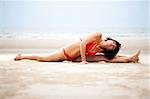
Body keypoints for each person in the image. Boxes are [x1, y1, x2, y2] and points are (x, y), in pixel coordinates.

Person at [14, 32, 140, 64]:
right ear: (110, 39)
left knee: (106, 59)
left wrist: (82, 60)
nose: (112, 45)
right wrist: (84, 61)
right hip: (65, 53)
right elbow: (82, 44)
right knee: (43, 59)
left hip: (75, 58)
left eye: (113, 47)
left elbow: (111, 56)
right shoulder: (98, 35)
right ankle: (22, 56)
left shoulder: (101, 50)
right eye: (113, 43)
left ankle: (130, 59)